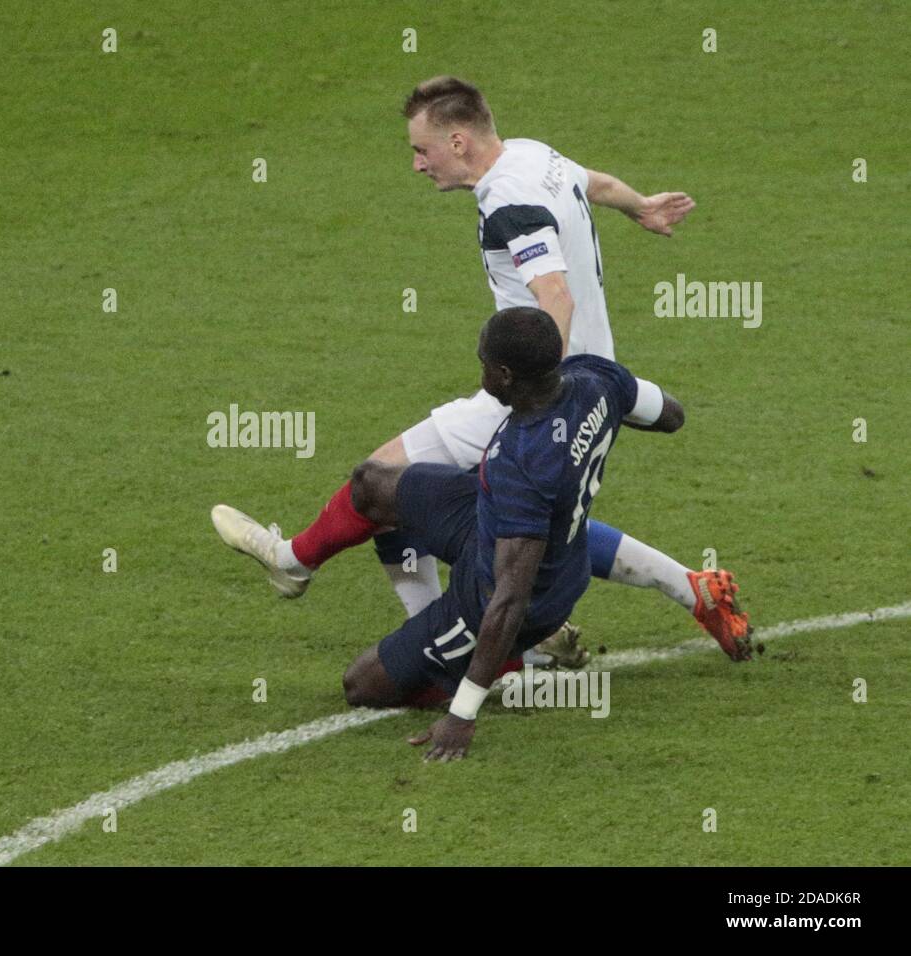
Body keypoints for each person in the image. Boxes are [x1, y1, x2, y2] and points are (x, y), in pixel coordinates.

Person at [212, 76, 748, 658]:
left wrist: (544, 403)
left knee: (382, 487)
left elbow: (556, 298)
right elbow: (596, 183)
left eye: (422, 150)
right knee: (531, 526)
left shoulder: (508, 203)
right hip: (599, 380)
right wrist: (641, 206)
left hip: (535, 393)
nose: (418, 165)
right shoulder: (533, 154)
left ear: (460, 141)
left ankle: (303, 567)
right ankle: (691, 589)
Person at [340, 308, 742, 761]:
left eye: (484, 362)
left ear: (506, 375)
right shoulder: (593, 377)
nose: (480, 368)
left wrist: (462, 714)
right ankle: (294, 559)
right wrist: (598, 420)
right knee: (371, 483)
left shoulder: (525, 461)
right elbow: (672, 416)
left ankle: (494, 665)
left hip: (509, 594)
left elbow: (510, 597)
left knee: (361, 685)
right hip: (484, 520)